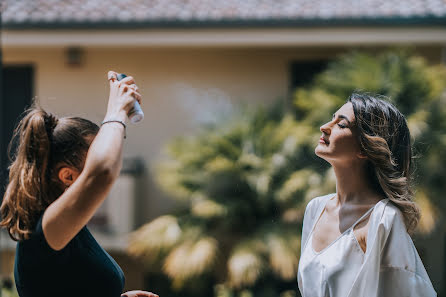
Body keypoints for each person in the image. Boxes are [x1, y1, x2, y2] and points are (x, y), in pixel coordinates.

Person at [0, 71, 158, 297]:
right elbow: (102, 172)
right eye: (94, 154)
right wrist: (116, 111)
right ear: (68, 176)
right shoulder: (45, 232)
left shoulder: (67, 228)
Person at [297, 93, 436, 297]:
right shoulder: (315, 209)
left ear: (365, 147)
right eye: (332, 117)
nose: (325, 126)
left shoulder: (383, 219)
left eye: (341, 124)